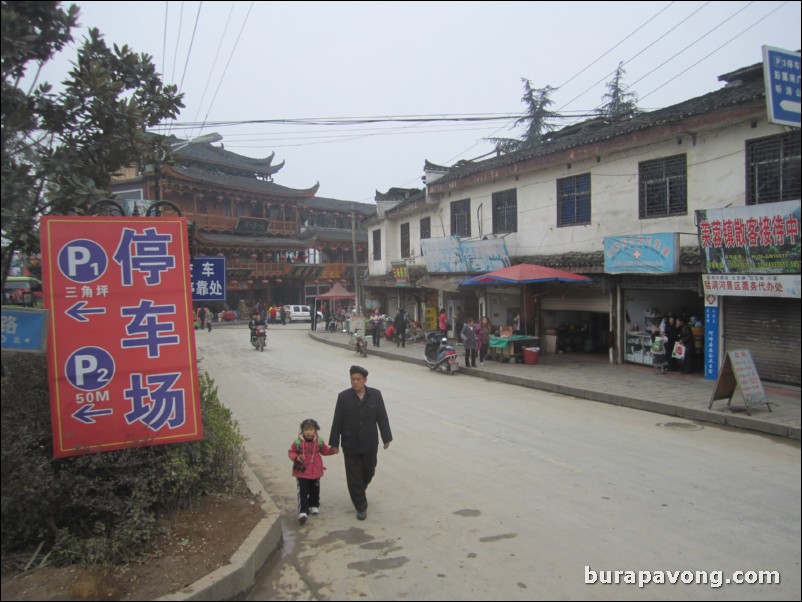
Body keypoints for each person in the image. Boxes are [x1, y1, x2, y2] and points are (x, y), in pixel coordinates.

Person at [329, 365, 393, 521]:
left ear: (365, 380)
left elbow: (382, 417)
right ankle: (361, 506)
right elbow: (337, 420)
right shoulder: (343, 397)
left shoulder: (375, 395)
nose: (355, 382)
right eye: (352, 379)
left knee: (369, 471)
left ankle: (359, 489)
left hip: (369, 442)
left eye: (358, 379)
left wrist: (386, 438)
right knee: (353, 476)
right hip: (350, 443)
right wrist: (334, 443)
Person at [288, 419, 337, 524]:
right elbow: (291, 452)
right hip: (302, 472)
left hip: (316, 472)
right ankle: (303, 511)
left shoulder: (319, 441)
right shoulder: (298, 442)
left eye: (311, 429)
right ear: (302, 431)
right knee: (302, 491)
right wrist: (296, 457)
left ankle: (314, 505)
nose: (308, 432)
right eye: (306, 430)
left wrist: (332, 451)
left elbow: (324, 451)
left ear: (315, 430)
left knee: (315, 489)